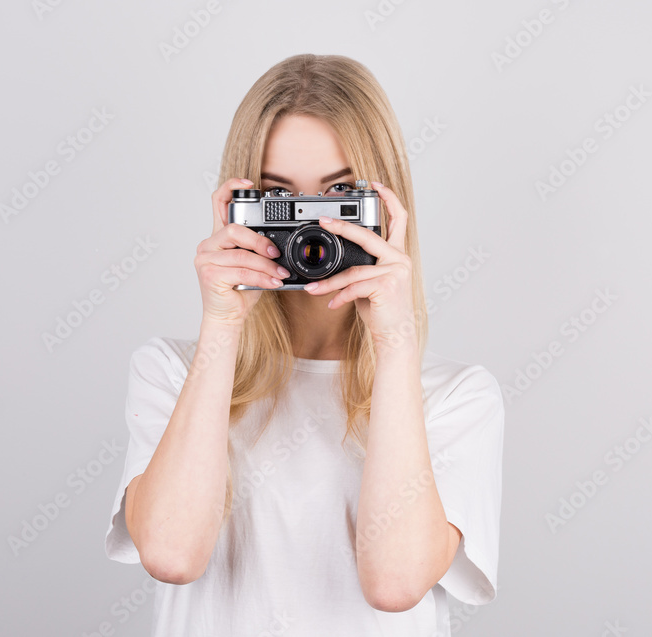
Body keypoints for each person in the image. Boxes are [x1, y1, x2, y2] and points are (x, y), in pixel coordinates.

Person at [104, 53, 504, 636]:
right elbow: (170, 555)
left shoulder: (455, 398)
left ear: (387, 207)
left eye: (340, 196)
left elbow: (394, 585)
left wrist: (393, 343)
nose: (311, 233)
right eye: (280, 201)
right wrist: (222, 322)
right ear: (240, 209)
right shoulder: (172, 371)